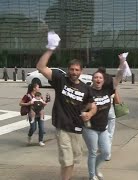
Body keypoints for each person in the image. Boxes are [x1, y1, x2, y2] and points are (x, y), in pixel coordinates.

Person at [36, 32, 97, 180]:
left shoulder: (85, 88)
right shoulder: (60, 79)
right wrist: (51, 48)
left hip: (77, 129)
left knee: (73, 160)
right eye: (72, 69)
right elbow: (40, 67)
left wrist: (90, 113)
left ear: (81, 71)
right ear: (68, 69)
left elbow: (93, 105)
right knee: (67, 160)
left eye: (77, 70)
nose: (74, 72)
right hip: (62, 126)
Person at [82, 55, 126, 180]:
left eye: (100, 77)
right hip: (90, 128)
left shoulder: (107, 90)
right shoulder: (88, 91)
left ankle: (96, 168)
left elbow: (118, 76)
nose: (98, 79)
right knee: (93, 152)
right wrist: (85, 112)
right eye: (95, 77)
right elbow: (80, 108)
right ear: (93, 79)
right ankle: (92, 176)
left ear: (103, 79)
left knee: (106, 152)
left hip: (103, 128)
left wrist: (122, 62)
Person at [19, 82, 46, 146]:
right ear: (34, 88)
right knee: (33, 128)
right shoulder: (27, 95)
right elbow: (20, 103)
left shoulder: (39, 95)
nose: (39, 88)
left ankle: (40, 141)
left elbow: (42, 104)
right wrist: (28, 103)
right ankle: (29, 135)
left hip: (40, 114)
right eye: (38, 87)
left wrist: (44, 103)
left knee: (41, 128)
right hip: (32, 114)